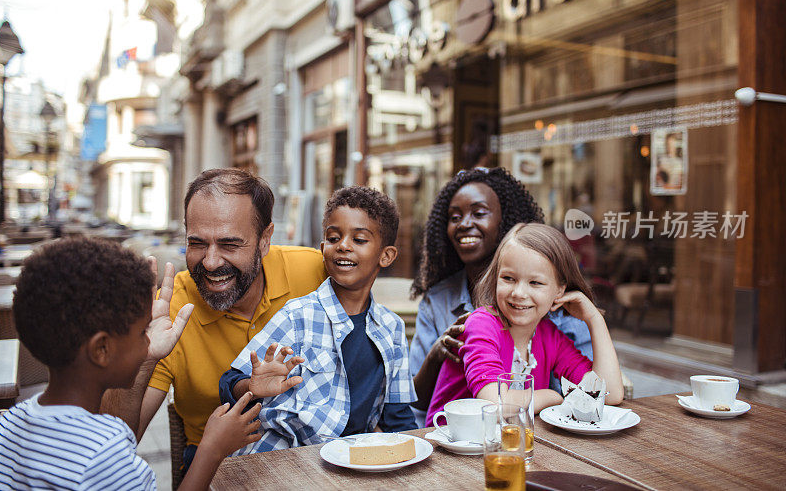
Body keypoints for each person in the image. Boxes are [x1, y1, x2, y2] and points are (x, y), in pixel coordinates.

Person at [0, 238, 260, 490]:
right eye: (143, 332)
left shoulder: (9, 422)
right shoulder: (104, 455)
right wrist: (211, 450)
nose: (148, 344)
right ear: (102, 349)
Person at [101, 169, 326, 474]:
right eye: (196, 243)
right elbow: (115, 445)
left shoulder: (314, 270)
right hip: (216, 466)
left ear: (264, 239)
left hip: (311, 454)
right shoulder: (169, 311)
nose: (210, 262)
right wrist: (139, 355)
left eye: (230, 244)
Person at [219, 186, 417, 452]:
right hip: (282, 454)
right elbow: (229, 381)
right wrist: (253, 387)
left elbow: (398, 416)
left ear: (386, 255)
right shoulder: (298, 315)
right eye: (334, 238)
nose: (343, 246)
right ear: (323, 248)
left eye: (359, 240)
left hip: (352, 458)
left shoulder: (392, 328)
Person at [409, 167, 593, 425]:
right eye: (454, 216)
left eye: (479, 213)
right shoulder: (438, 300)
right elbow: (413, 399)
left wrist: (595, 319)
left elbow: (592, 389)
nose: (464, 224)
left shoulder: (552, 310)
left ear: (505, 221)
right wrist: (436, 356)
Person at [427, 223, 623, 423]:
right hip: (451, 443)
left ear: (559, 290)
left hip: (509, 444)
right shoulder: (481, 325)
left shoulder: (550, 336)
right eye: (508, 278)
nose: (519, 293)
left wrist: (594, 319)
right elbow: (494, 405)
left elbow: (609, 395)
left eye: (535, 283)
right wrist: (550, 396)